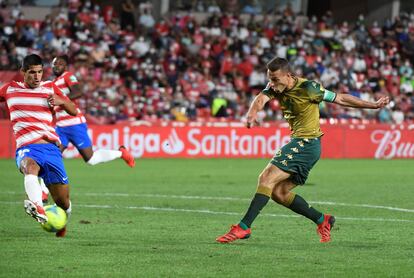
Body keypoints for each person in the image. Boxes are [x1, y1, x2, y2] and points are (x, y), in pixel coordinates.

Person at [216, 57, 390, 243]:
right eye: (270, 79)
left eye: (275, 79)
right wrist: (251, 114)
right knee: (279, 193)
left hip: (307, 143)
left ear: (288, 76)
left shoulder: (309, 88)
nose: (272, 84)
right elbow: (260, 99)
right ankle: (322, 220)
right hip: (302, 143)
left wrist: (373, 105)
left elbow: (340, 98)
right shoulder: (275, 87)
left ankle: (243, 227)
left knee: (266, 178)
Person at [0, 54, 78, 237]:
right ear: (23, 72)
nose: (37, 77)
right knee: (30, 166)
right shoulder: (10, 89)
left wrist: (62, 101)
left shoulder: (50, 87)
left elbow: (73, 110)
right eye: (32, 73)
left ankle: (62, 220)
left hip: (51, 149)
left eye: (40, 72)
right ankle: (37, 206)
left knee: (63, 201)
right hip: (27, 147)